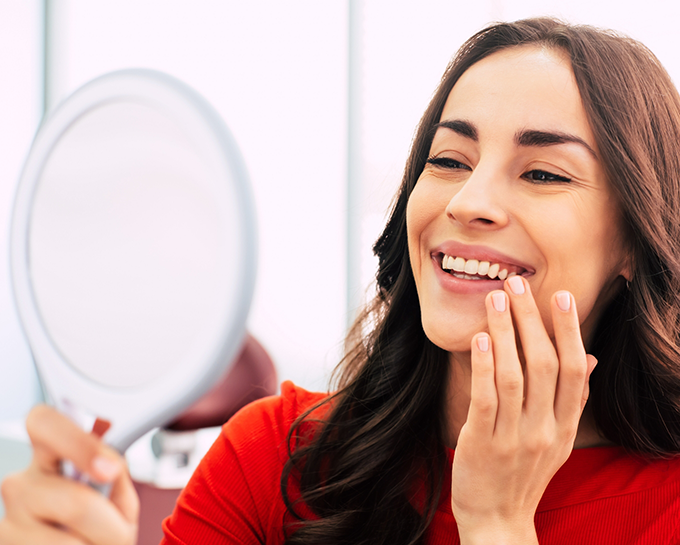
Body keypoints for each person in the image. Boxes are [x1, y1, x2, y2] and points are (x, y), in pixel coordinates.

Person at [2, 16, 680, 545]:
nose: (468, 200)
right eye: (448, 159)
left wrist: (498, 522)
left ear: (635, 240)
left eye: (542, 173)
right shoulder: (270, 457)